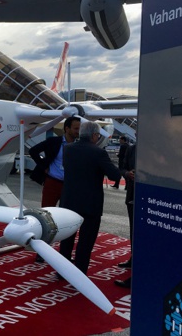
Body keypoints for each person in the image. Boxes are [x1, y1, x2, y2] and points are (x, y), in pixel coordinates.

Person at [58, 121, 121, 274]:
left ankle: (62, 271)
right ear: (94, 135)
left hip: (69, 200)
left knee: (67, 238)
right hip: (90, 203)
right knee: (85, 241)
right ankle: (79, 273)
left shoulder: (68, 149)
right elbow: (114, 175)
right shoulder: (98, 152)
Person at [29, 116, 80, 263]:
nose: (78, 131)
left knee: (68, 218)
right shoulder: (54, 142)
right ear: (67, 128)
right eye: (75, 128)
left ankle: (65, 254)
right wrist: (43, 166)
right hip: (52, 183)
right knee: (46, 218)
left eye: (79, 129)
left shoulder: (80, 145)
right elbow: (33, 150)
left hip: (70, 186)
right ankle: (41, 251)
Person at [115, 141, 136, 289]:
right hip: (132, 195)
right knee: (133, 230)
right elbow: (122, 168)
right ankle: (133, 259)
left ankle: (137, 271)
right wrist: (127, 174)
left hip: (151, 198)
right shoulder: (132, 149)